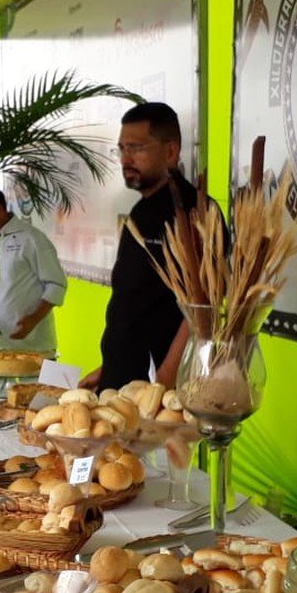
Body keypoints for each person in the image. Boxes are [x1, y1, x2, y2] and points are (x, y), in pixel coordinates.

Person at [81, 102, 219, 391]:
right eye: (122, 149)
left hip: (161, 388)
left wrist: (167, 378)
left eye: (137, 148)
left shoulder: (196, 211)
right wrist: (111, 366)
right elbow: (134, 301)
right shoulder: (140, 212)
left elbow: (205, 303)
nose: (125, 159)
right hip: (123, 384)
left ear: (170, 151)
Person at [0, 182, 67, 355]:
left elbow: (57, 284)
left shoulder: (32, 239)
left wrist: (33, 320)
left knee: (33, 384)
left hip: (32, 347)